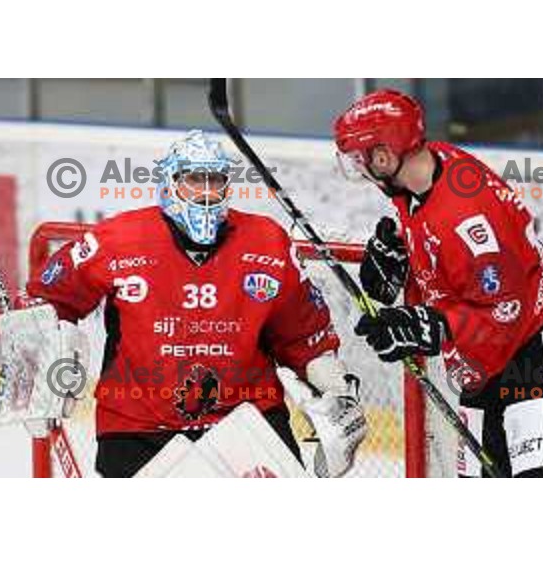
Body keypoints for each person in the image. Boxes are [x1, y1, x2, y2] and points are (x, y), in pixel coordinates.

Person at [21, 130, 365, 477]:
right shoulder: (117, 240)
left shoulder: (268, 243)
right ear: (170, 183)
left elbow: (304, 336)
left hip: (248, 419)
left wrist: (339, 392)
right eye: (193, 179)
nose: (205, 192)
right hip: (137, 428)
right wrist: (40, 358)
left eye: (214, 180)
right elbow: (48, 299)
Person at [333, 89, 543, 477]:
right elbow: (441, 241)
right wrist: (403, 248)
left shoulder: (468, 218)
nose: (358, 168)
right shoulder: (422, 171)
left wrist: (431, 327)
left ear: (385, 157)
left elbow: (507, 312)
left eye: (360, 158)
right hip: (482, 364)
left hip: (531, 354)